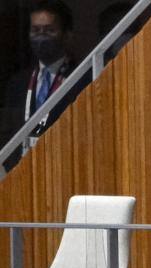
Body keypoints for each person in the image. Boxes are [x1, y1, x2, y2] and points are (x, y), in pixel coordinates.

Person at [1, 0, 88, 172]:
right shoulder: (18, 83)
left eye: (49, 31)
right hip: (22, 170)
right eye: (36, 31)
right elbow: (7, 131)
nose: (41, 37)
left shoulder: (81, 79)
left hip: (63, 168)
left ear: (67, 35)